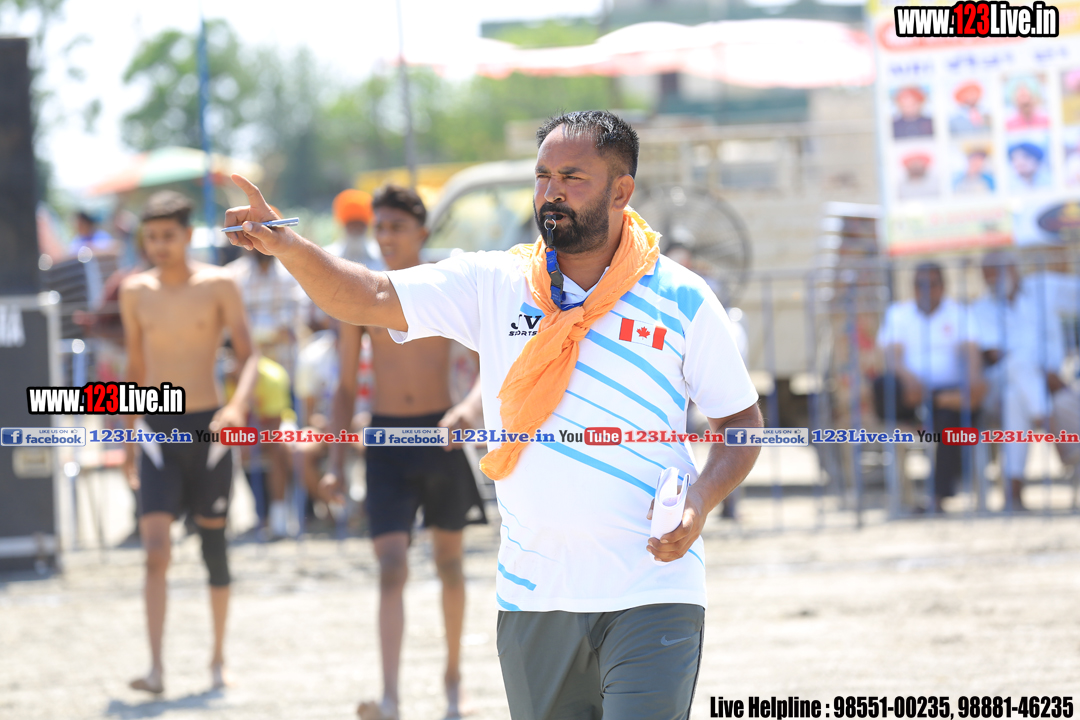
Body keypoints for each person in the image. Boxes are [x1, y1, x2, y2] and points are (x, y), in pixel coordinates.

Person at [224, 109, 763, 720]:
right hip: (534, 598)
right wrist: (287, 245)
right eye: (543, 176)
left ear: (621, 191)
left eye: (572, 177)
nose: (551, 191)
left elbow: (741, 426)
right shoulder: (495, 282)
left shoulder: (682, 297)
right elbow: (368, 295)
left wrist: (700, 500)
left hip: (654, 591)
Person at [312, 185, 486, 720]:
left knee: (450, 565)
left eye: (397, 227)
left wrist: (468, 410)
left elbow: (492, 363)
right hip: (385, 441)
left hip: (440, 436)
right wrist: (335, 461)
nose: (386, 237)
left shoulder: (445, 286)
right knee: (391, 567)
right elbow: (345, 388)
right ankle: (390, 697)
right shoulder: (361, 292)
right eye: (380, 227)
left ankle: (453, 680)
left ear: (421, 232)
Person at [120, 191, 258, 694]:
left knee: (214, 547)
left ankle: (218, 660)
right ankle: (156, 668)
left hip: (210, 431)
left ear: (187, 235)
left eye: (168, 236)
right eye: (151, 237)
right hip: (156, 430)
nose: (159, 245)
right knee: (155, 551)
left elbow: (248, 355)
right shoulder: (134, 291)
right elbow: (135, 367)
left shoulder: (219, 284)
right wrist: (126, 438)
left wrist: (237, 407)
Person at [875, 263, 986, 512]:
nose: (925, 290)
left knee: (951, 419)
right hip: (909, 394)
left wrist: (968, 388)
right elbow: (891, 358)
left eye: (931, 284)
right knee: (884, 385)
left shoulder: (959, 313)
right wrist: (910, 381)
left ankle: (937, 497)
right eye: (919, 284)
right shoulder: (898, 313)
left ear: (943, 286)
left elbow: (972, 360)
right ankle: (923, 412)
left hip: (945, 394)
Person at [973, 251, 1071, 510]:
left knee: (1015, 398)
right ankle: (1057, 435)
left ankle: (1013, 491)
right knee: (1018, 364)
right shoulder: (981, 309)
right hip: (1002, 383)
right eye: (987, 276)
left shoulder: (1044, 287)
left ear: (1013, 268)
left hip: (1037, 388)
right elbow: (996, 354)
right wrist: (1042, 373)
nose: (992, 281)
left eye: (996, 273)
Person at [227, 247, 309, 537]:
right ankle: (263, 515)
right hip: (242, 381)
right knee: (246, 447)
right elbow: (230, 325)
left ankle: (289, 514)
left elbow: (295, 324)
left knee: (282, 446)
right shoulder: (231, 277)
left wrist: (251, 334)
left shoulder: (293, 273)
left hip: (286, 377)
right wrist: (267, 334)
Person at [327, 188, 385, 269]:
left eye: (359, 224)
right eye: (351, 224)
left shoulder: (382, 258)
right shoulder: (328, 257)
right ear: (344, 225)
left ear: (366, 226)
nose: (355, 229)